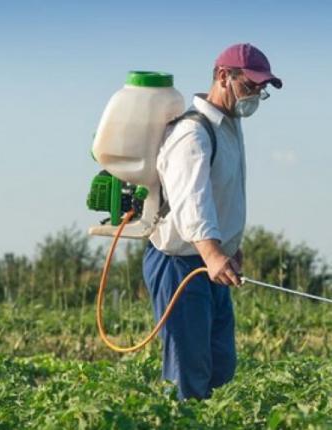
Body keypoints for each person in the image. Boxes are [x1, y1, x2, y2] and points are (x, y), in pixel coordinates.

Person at [142, 43, 282, 400]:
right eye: (250, 85)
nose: (255, 95)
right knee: (190, 373)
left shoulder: (229, 126)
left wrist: (230, 247)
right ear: (224, 76)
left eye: (260, 90)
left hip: (210, 260)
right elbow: (193, 202)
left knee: (221, 367)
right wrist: (213, 252)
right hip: (180, 264)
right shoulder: (192, 132)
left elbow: (225, 193)